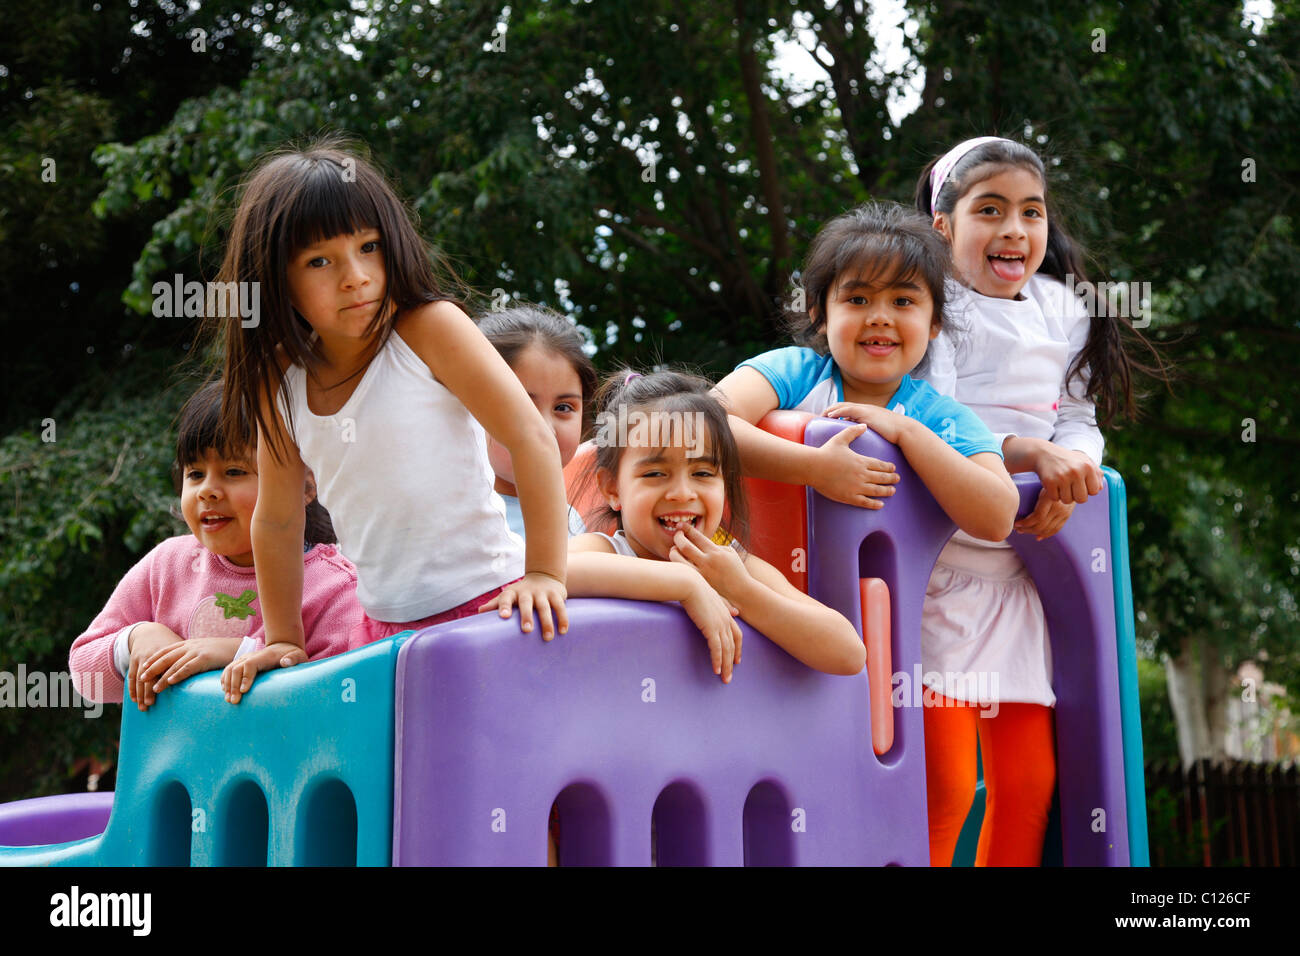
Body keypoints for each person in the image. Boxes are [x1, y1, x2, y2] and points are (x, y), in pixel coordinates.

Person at [213, 137, 569, 703]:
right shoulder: (278, 381)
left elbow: (530, 437)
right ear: (275, 278)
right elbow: (278, 519)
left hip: (492, 605)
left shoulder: (428, 330)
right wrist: (283, 637)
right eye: (320, 261)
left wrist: (546, 573)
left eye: (369, 246)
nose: (355, 276)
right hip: (379, 633)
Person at [909, 135, 1160, 865]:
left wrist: (1074, 470)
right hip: (940, 572)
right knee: (948, 785)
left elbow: (1078, 419)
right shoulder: (932, 307)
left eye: (1031, 211)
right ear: (943, 226)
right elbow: (936, 419)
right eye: (990, 210)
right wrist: (1025, 456)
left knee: (1028, 782)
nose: (1015, 229)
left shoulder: (1062, 308)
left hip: (1026, 575)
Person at [492, 369, 866, 682]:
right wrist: (683, 584)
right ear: (612, 489)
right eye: (656, 473)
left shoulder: (728, 563)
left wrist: (743, 592)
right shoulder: (607, 550)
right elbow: (546, 571)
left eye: (703, 472)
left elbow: (847, 653)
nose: (682, 493)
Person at [712, 201, 1019, 543]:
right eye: (858, 300)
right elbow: (705, 424)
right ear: (820, 313)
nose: (880, 317)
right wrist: (815, 468)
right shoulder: (794, 373)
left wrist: (909, 433)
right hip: (749, 579)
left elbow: (999, 517)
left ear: (935, 323)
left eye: (902, 301)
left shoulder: (939, 418)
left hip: (878, 594)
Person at [68, 381, 363, 708]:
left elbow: (340, 699)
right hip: (178, 761)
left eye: (234, 471)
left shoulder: (335, 587)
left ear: (307, 485)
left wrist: (239, 653)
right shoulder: (167, 565)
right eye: (194, 474)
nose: (207, 490)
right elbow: (86, 677)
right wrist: (136, 638)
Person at [478, 305, 596, 538]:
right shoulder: (452, 516)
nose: (546, 430)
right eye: (521, 406)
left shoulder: (571, 519)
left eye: (563, 408)